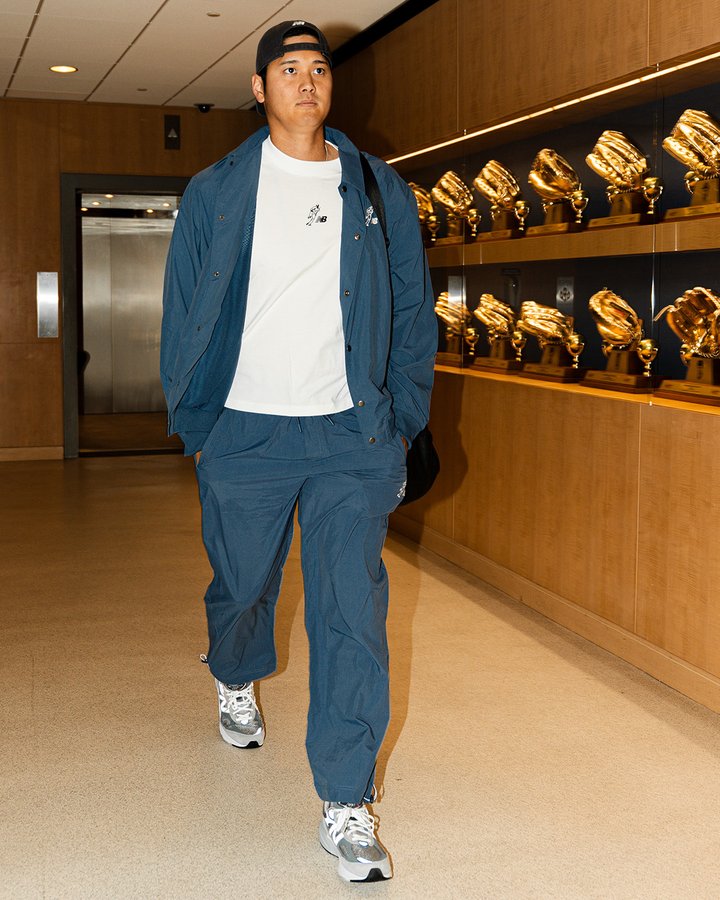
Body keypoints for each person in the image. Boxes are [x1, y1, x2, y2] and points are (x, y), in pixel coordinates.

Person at [160, 19, 435, 883]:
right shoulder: (217, 189)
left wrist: (400, 420)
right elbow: (182, 308)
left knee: (352, 610)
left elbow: (412, 310)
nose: (307, 81)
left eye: (319, 68)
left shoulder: (379, 188)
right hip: (246, 429)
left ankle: (346, 803)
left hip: (350, 434)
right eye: (288, 68)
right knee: (244, 583)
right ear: (259, 87)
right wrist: (198, 424)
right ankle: (235, 672)